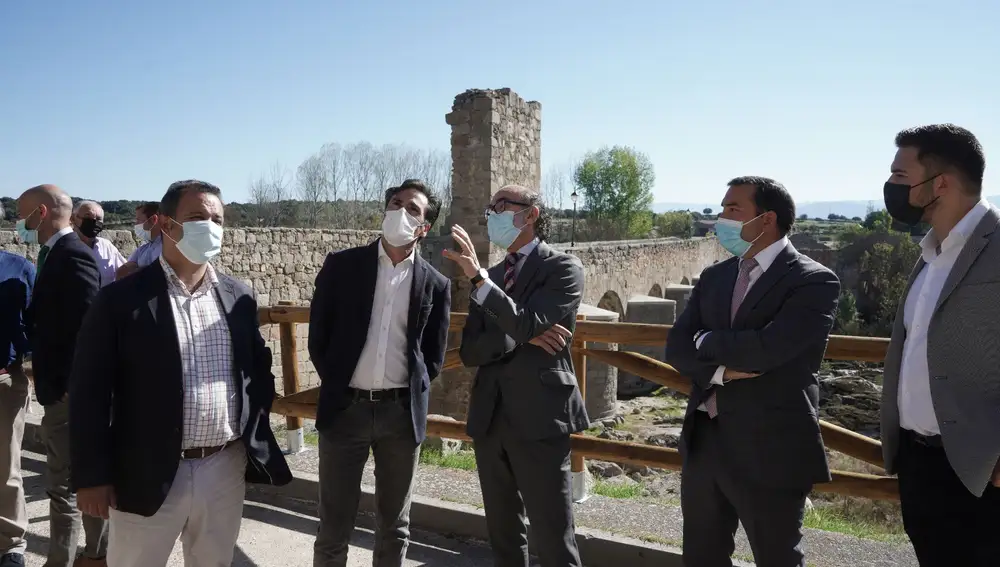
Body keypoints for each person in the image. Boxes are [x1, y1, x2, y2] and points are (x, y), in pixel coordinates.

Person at [70, 180, 292, 567]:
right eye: (196, 217)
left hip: (224, 465)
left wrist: (250, 436)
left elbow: (257, 371)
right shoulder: (121, 300)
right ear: (167, 225)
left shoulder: (239, 296)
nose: (210, 225)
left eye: (217, 219)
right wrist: (91, 476)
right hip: (144, 467)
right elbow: (89, 392)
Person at [664, 176, 840, 567]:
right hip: (705, 442)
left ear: (767, 219)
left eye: (733, 209)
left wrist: (706, 341)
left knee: (777, 558)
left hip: (771, 450)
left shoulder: (813, 280)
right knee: (701, 556)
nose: (720, 218)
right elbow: (676, 347)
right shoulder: (715, 277)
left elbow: (769, 350)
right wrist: (722, 372)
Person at [308, 179, 451, 567]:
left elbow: (432, 357)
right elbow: (318, 338)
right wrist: (341, 382)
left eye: (413, 209)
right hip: (345, 411)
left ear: (424, 227)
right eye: (395, 202)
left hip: (400, 417)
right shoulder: (342, 266)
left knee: (395, 526)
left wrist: (406, 393)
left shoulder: (436, 284)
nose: (401, 212)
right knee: (333, 523)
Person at [447, 184, 588, 567]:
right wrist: (521, 333)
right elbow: (472, 351)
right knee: (504, 534)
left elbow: (528, 322)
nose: (492, 212)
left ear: (531, 214)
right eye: (490, 206)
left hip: (541, 416)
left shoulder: (562, 267)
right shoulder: (491, 276)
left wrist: (486, 290)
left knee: (554, 534)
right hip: (491, 417)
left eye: (503, 205)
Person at [879, 124, 999, 566]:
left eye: (899, 175)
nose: (890, 185)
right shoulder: (930, 253)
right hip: (919, 463)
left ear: (940, 183)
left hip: (983, 472)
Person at [16, 184, 107, 567]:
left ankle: (64, 560)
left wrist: (72, 386)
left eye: (22, 214)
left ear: (42, 212)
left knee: (63, 487)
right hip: (64, 390)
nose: (19, 223)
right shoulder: (56, 254)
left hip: (69, 394)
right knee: (77, 481)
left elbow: (91, 326)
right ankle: (96, 555)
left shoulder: (73, 256)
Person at [0, 203, 36, 567]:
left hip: (4, 382)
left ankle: (10, 543)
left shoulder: (20, 268)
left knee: (5, 467)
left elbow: (35, 325)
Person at [71, 200, 127, 287]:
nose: (93, 222)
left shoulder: (106, 246)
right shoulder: (62, 246)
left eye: (98, 219)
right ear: (73, 218)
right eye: (88, 217)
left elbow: (124, 272)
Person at [115, 202, 161, 280]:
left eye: (138, 220)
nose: (135, 224)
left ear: (153, 219)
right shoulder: (143, 248)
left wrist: (137, 270)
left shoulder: (169, 248)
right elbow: (122, 272)